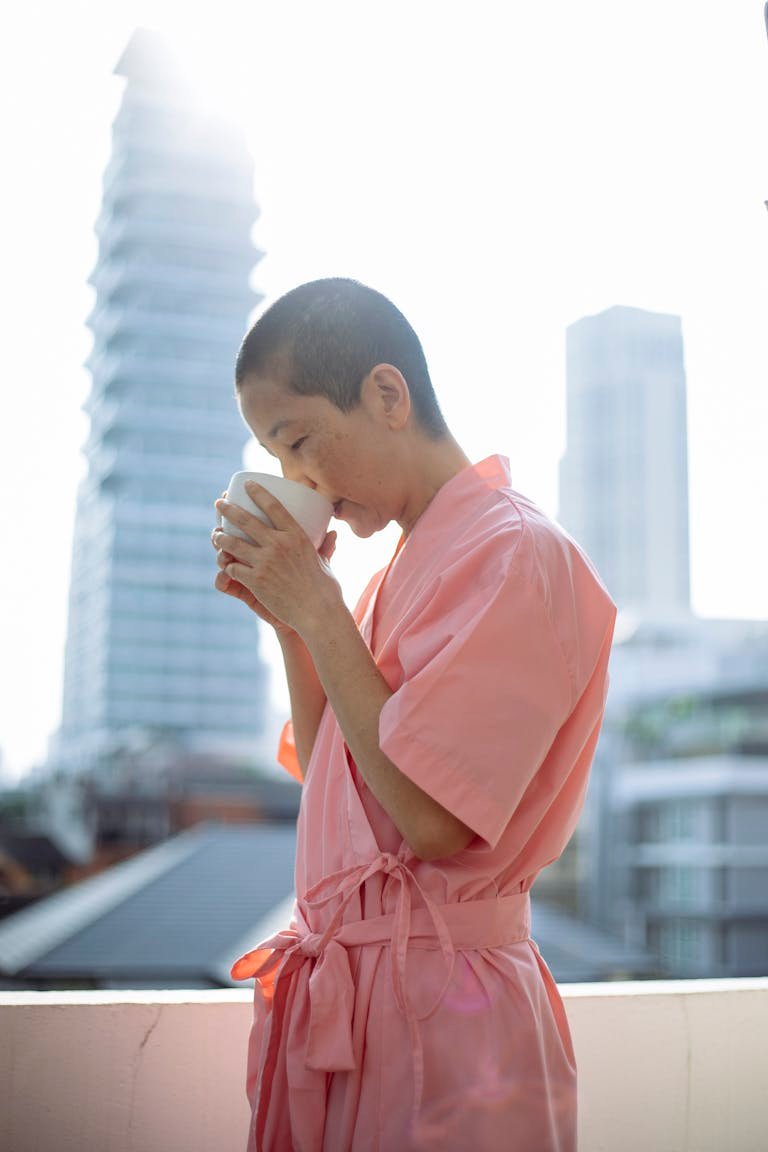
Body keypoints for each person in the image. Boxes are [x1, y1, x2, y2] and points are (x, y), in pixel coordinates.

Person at [211, 278, 617, 1152]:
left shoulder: (517, 553)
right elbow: (339, 782)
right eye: (277, 460)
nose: (297, 479)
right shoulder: (398, 569)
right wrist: (293, 625)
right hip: (367, 998)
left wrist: (319, 608)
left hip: (448, 1013)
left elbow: (432, 819)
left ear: (387, 396)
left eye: (300, 441)